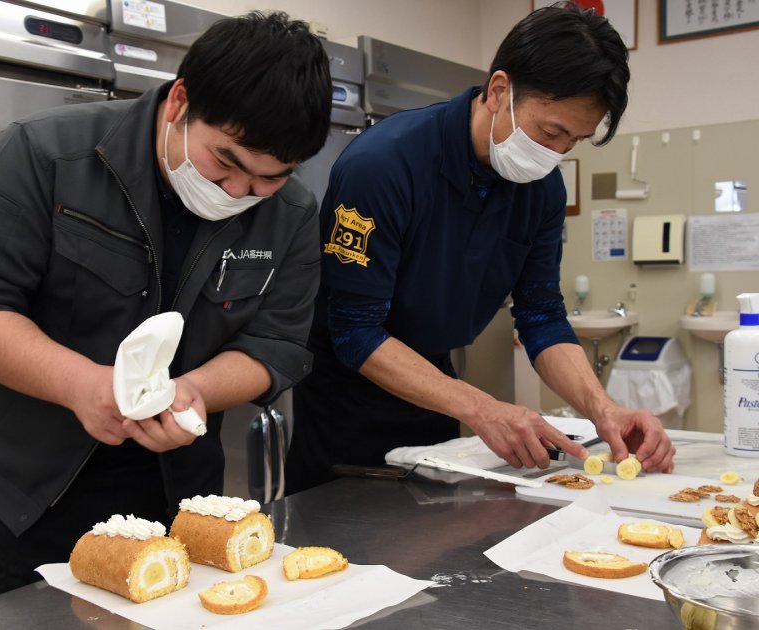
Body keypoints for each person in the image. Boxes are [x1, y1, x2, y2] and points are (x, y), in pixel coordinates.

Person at [0, 11, 331, 608]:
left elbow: (278, 346)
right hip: (25, 494)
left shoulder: (291, 213)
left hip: (178, 502)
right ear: (180, 103)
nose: (240, 193)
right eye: (227, 163)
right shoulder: (44, 155)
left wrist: (195, 391)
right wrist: (83, 386)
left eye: (270, 178)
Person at [285, 3, 676, 494]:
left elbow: (541, 316)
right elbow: (356, 332)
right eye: (550, 131)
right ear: (499, 91)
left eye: (573, 141)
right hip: (347, 402)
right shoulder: (384, 165)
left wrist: (605, 410)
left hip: (437, 391)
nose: (555, 154)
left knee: (433, 540)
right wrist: (483, 408)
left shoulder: (543, 190)